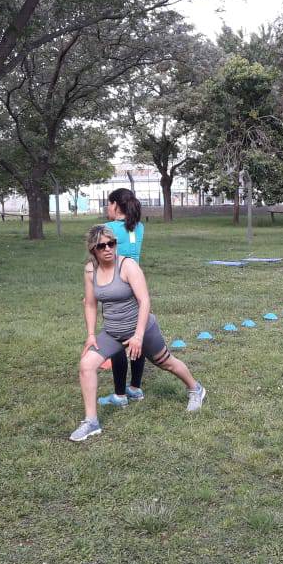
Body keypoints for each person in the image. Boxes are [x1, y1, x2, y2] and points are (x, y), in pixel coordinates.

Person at [70, 225, 206, 441]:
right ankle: (91, 422)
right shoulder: (90, 270)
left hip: (141, 329)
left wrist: (138, 336)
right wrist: (91, 335)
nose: (107, 249)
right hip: (113, 332)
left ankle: (195, 389)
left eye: (111, 243)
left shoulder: (128, 266)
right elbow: (90, 304)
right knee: (86, 365)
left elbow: (144, 301)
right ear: (93, 250)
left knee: (166, 362)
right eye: (101, 246)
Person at [97, 188, 147, 408]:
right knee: (137, 338)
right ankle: (135, 388)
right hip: (137, 288)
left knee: (117, 339)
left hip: (116, 288)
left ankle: (120, 395)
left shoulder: (108, 229)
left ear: (116, 204)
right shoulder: (140, 227)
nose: (107, 208)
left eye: (109, 204)